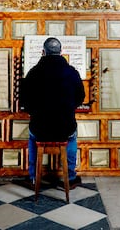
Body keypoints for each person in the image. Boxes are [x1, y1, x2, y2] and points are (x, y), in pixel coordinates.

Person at [20, 37, 85, 189]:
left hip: (40, 127)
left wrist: (35, 111)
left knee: (32, 136)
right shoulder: (72, 72)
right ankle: (70, 177)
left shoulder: (33, 72)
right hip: (65, 126)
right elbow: (80, 97)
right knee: (72, 135)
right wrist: (68, 107)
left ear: (43, 52)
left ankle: (33, 177)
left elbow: (24, 101)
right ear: (61, 52)